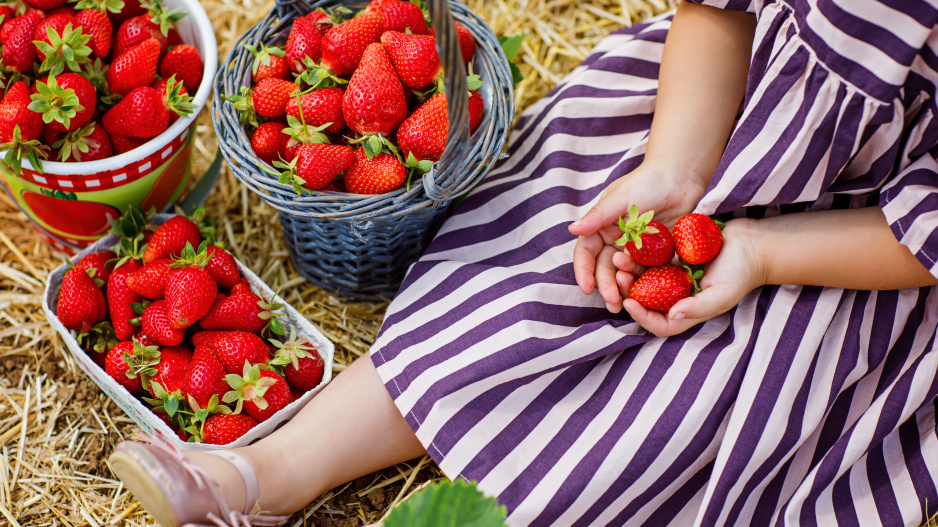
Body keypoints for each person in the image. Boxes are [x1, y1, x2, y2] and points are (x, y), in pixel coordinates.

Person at [108, 0, 938, 525]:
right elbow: (718, 11)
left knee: (685, 414)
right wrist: (671, 171)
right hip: (723, 109)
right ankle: (259, 473)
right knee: (522, 272)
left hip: (867, 246)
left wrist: (758, 252)